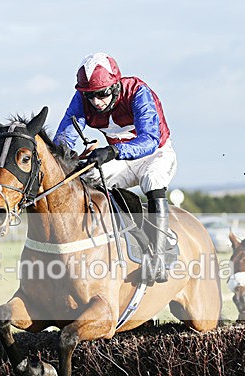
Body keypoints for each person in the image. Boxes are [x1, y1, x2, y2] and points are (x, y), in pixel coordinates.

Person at [53, 52, 176, 284]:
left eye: (102, 94)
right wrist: (64, 157)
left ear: (116, 86)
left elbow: (149, 140)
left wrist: (112, 151)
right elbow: (64, 138)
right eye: (89, 95)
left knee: (152, 179)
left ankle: (159, 256)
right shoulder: (82, 99)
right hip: (121, 159)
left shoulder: (138, 92)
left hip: (156, 153)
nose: (96, 102)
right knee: (89, 179)